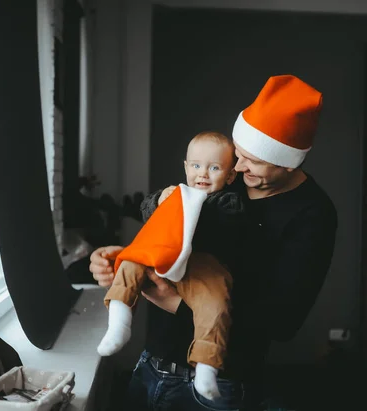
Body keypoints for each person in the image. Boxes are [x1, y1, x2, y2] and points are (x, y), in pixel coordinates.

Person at [89, 74, 338, 410]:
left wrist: (173, 302)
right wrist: (128, 260)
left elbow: (283, 321)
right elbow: (175, 226)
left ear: (289, 161)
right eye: (238, 154)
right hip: (151, 364)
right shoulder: (226, 179)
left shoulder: (314, 214)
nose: (237, 166)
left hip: (219, 384)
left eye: (254, 160)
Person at [96, 131, 244, 400]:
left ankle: (207, 367)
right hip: (167, 257)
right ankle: (119, 321)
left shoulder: (228, 202)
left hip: (202, 271)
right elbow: (147, 209)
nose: (203, 174)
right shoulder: (176, 193)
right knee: (132, 259)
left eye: (214, 168)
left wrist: (186, 206)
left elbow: (218, 222)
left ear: (231, 176)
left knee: (215, 306)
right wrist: (161, 200)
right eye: (196, 166)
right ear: (186, 167)